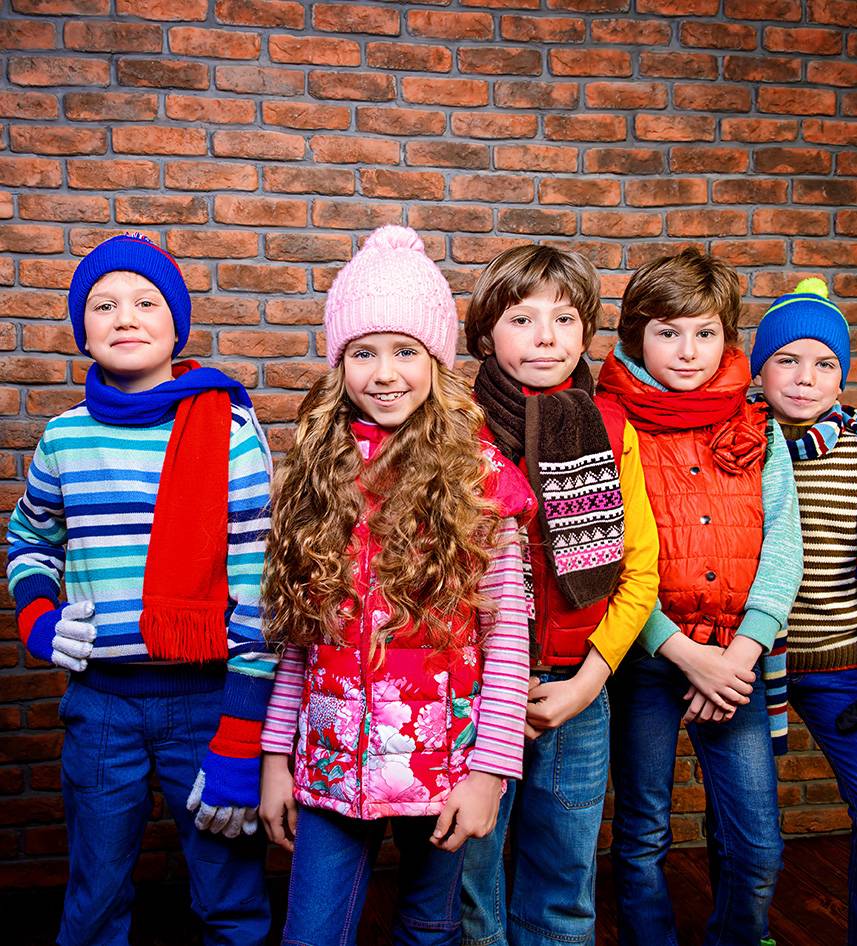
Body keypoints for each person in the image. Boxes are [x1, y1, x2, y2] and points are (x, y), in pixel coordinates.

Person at [258, 225, 535, 946]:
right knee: (311, 934)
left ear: (437, 363)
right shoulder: (319, 480)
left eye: (406, 351)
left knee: (429, 929)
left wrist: (490, 775)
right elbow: (298, 636)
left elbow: (507, 642)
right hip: (328, 764)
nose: (385, 372)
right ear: (338, 364)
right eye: (363, 352)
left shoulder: (480, 482)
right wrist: (273, 756)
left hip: (443, 766)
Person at [6, 234, 274, 945]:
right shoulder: (62, 438)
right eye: (103, 304)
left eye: (146, 301)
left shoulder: (232, 432)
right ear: (81, 329)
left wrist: (243, 737)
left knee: (229, 896)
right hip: (101, 704)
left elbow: (262, 586)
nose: (125, 317)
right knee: (94, 900)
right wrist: (38, 615)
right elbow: (30, 541)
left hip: (208, 700)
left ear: (176, 324)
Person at [595, 248, 803, 946]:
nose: (688, 352)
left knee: (757, 845)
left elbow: (783, 546)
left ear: (728, 338)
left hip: (735, 663)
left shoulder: (755, 423)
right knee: (644, 832)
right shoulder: (606, 424)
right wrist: (684, 654)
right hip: (649, 659)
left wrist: (736, 660)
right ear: (635, 337)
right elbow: (605, 560)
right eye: (668, 331)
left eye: (706, 332)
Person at [460, 244, 660, 946]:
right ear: (485, 334)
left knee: (564, 883)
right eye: (522, 319)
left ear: (584, 333)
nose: (547, 337)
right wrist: (495, 689)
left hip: (577, 691)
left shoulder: (611, 428)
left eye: (565, 319)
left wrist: (590, 679)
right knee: (467, 884)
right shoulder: (455, 429)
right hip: (473, 695)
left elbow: (640, 573)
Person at [751, 278, 857, 946]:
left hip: (842, 666)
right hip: (749, 662)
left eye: (825, 363)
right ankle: (743, 930)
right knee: (745, 825)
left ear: (842, 374)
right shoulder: (734, 443)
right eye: (787, 360)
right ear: (760, 368)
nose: (805, 378)